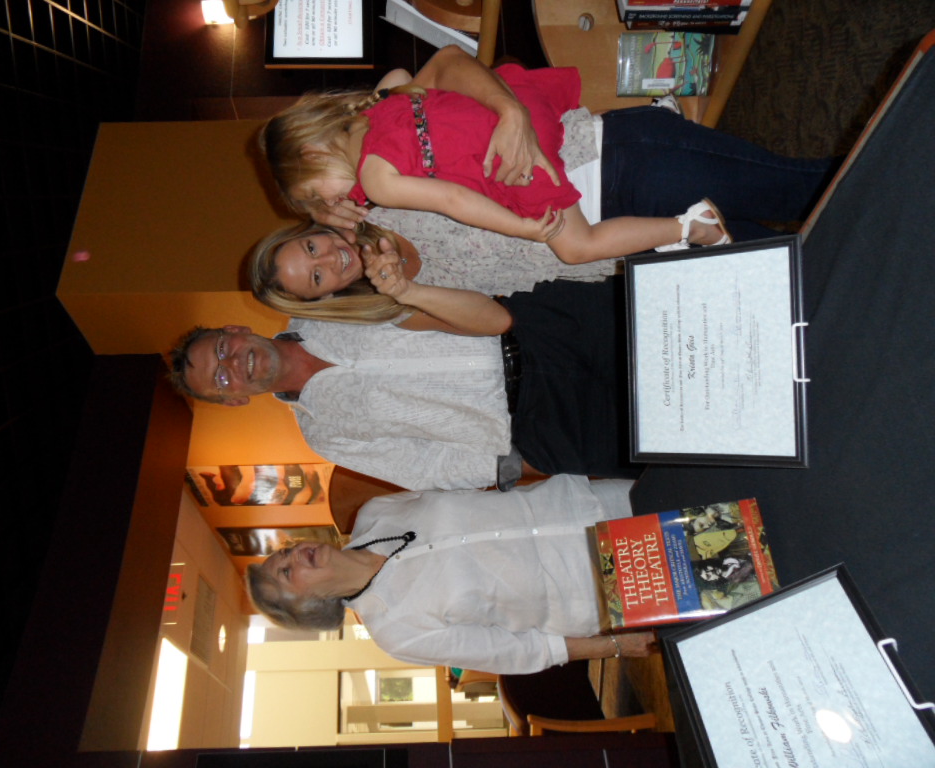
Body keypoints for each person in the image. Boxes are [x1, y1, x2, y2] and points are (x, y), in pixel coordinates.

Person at [249, 48, 838, 327]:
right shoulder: (394, 305)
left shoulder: (374, 186)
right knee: (800, 272)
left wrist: (509, 112)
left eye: (310, 247)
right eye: (317, 278)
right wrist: (408, 291)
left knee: (809, 191)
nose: (328, 259)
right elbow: (496, 322)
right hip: (634, 246)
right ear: (327, 298)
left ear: (310, 225)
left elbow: (443, 70)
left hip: (610, 164)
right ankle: (691, 229)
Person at [169, 277, 636, 491]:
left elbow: (421, 275)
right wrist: (525, 455)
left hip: (541, 329)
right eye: (222, 377)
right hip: (547, 424)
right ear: (234, 400)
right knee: (668, 449)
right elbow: (425, 469)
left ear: (235, 329)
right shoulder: (324, 435)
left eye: (223, 349)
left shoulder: (325, 303)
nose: (234, 363)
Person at [260, 62, 731, 266]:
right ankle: (656, 113)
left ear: (313, 154)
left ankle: (692, 226)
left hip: (512, 160)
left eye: (316, 193)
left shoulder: (377, 179)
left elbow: (453, 199)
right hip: (518, 105)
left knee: (576, 247)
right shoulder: (375, 106)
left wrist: (520, 227)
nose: (330, 201)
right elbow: (404, 78)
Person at [246, 474, 657, 674]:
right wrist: (615, 647)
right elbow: (516, 652)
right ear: (310, 605)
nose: (294, 554)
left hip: (589, 505)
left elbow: (471, 485)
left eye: (285, 552)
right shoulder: (397, 632)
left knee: (689, 490)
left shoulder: (376, 512)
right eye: (286, 572)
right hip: (606, 585)